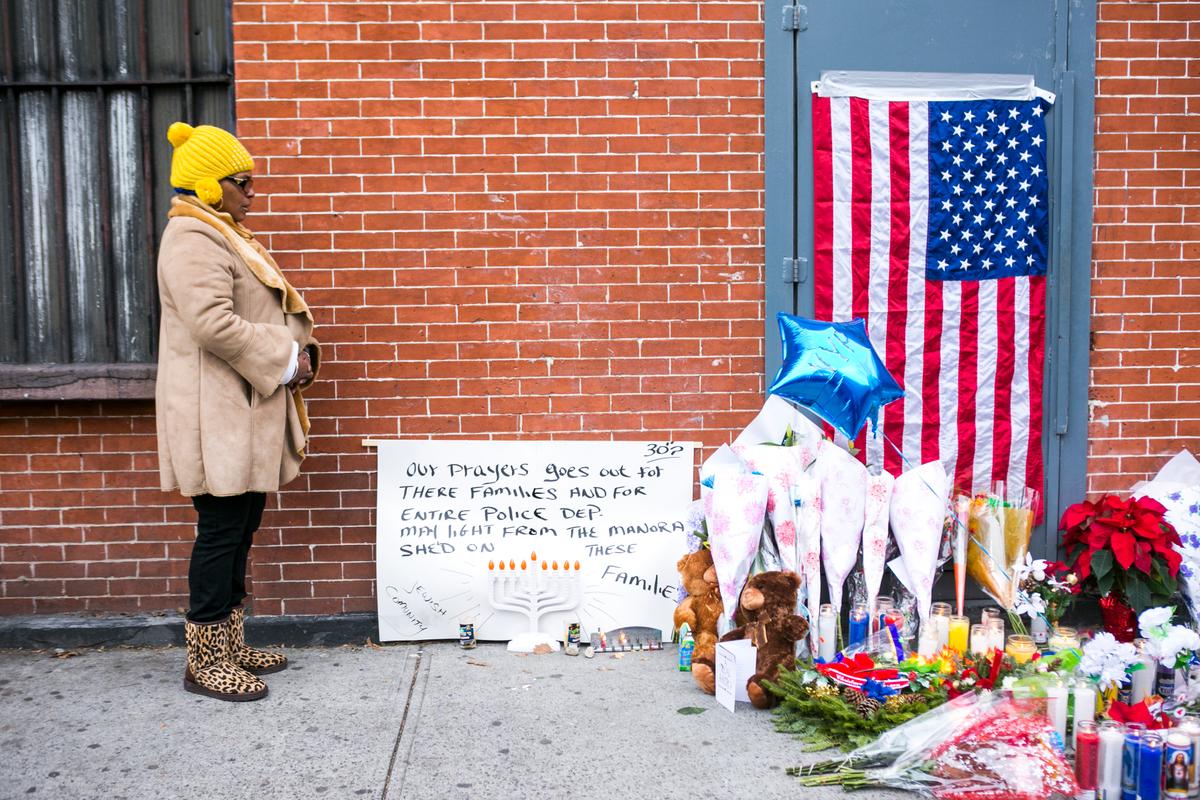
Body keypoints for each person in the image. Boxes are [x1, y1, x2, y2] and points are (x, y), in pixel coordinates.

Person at [155, 122, 318, 702]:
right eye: (241, 183)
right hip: (214, 414)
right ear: (208, 185)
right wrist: (285, 357)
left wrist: (295, 356)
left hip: (239, 409)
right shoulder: (193, 239)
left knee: (242, 524)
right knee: (221, 532)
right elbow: (212, 324)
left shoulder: (223, 234)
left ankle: (228, 643)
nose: (251, 194)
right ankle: (204, 660)